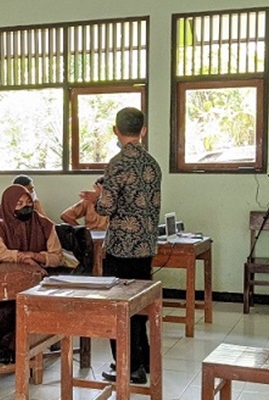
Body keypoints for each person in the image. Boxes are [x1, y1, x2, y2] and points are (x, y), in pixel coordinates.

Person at [83, 107, 161, 385]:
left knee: (120, 308)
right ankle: (146, 360)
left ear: (116, 131)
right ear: (143, 130)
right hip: (146, 247)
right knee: (140, 306)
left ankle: (129, 366)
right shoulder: (152, 164)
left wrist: (96, 197)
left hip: (121, 248)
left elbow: (106, 208)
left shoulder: (117, 164)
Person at [0, 184, 62, 365]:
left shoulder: (45, 224)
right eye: (19, 203)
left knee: (27, 305)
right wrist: (21, 257)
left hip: (39, 279)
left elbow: (57, 257)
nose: (26, 207)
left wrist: (35, 256)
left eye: (28, 202)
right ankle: (2, 348)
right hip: (9, 280)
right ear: (9, 205)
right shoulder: (1, 226)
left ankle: (21, 349)